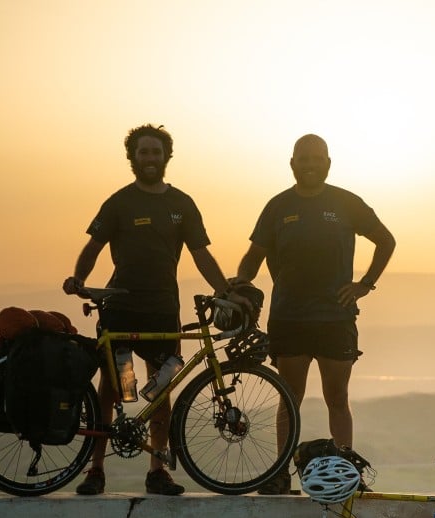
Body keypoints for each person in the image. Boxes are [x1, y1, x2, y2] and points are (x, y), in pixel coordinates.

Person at [63, 124, 245, 496]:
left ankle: (157, 471)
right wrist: (78, 277)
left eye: (156, 152)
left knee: (161, 389)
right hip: (122, 307)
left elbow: (201, 255)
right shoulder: (119, 202)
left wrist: (225, 291)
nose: (149, 158)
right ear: (132, 157)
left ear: (166, 157)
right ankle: (95, 470)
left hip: (162, 310)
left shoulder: (181, 204)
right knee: (115, 388)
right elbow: (93, 246)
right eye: (143, 152)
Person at [236, 133, 396, 494]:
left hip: (335, 317)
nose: (309, 165)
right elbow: (253, 256)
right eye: (302, 159)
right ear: (292, 163)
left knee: (337, 399)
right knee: (288, 398)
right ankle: (278, 475)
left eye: (316, 158)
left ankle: (346, 477)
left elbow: (386, 240)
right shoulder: (278, 206)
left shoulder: (346, 202)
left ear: (328, 162)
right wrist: (239, 282)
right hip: (289, 317)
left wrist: (365, 284)